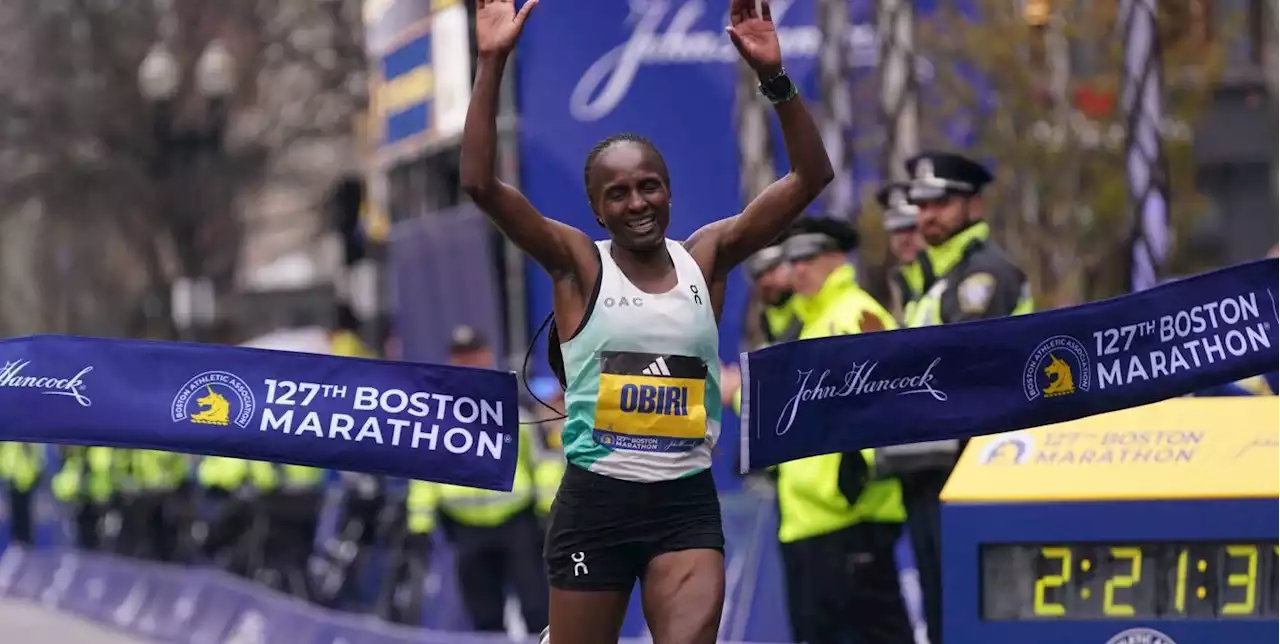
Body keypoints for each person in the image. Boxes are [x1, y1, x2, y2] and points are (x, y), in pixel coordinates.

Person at [461, 0, 832, 641]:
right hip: (595, 506)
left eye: (649, 186)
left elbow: (810, 176)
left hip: (684, 504)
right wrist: (491, 62)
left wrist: (775, 76)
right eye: (619, 193)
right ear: (596, 211)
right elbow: (481, 186)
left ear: (670, 190)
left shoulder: (706, 258)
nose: (638, 202)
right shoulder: (578, 264)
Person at [880, 151, 1034, 644]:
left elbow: (956, 368)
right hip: (931, 467)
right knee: (943, 614)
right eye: (922, 204)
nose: (927, 215)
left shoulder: (983, 276)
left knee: (973, 615)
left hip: (977, 468)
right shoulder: (932, 283)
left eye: (941, 203)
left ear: (974, 205)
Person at [772, 217, 913, 644]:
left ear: (837, 258)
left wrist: (857, 476)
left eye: (808, 257)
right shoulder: (806, 324)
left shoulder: (855, 314)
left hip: (852, 521)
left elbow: (891, 404)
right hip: (805, 523)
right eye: (791, 259)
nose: (797, 269)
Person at [405, 325, 551, 634]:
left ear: (487, 355)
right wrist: (419, 525)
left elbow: (544, 461)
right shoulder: (433, 412)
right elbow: (424, 472)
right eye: (460, 356)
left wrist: (548, 511)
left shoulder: (515, 403)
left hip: (518, 523)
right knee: (485, 619)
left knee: (538, 611)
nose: (468, 363)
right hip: (465, 528)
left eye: (473, 354)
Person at [876, 181, 925, 322]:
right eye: (897, 230)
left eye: (911, 228)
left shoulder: (944, 276)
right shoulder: (893, 284)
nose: (904, 239)